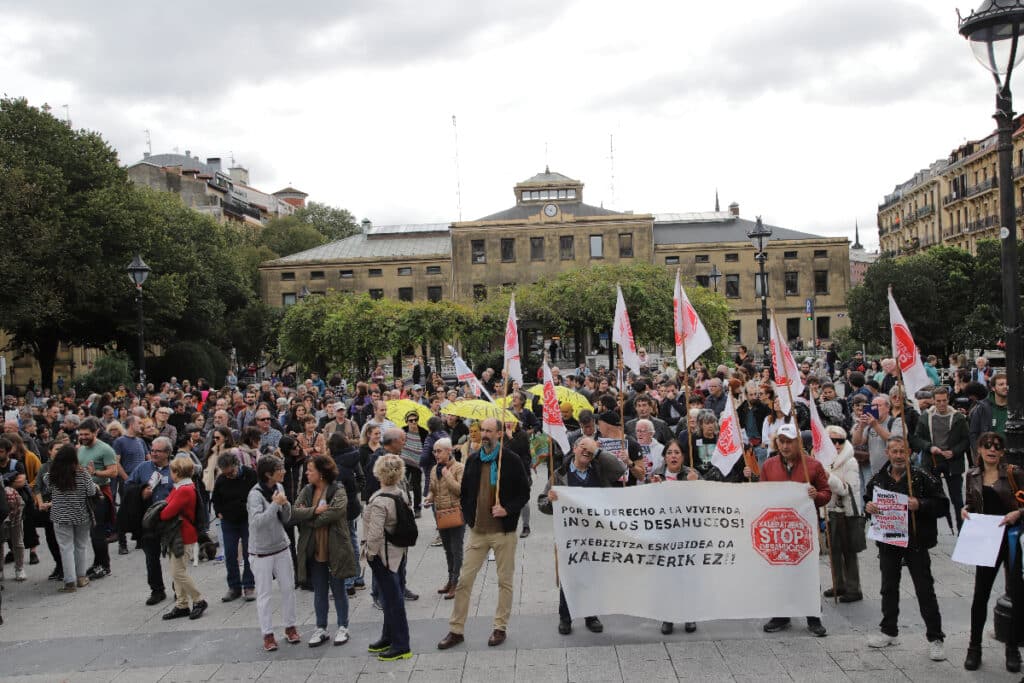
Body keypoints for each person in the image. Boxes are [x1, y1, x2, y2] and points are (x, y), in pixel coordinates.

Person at [438, 417, 531, 650]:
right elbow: (466, 492)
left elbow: (524, 492)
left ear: (500, 434)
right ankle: (456, 630)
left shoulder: (510, 460)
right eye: (483, 431)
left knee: (504, 582)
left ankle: (500, 627)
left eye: (490, 431)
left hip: (503, 532)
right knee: (464, 581)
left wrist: (507, 508)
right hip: (478, 531)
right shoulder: (473, 460)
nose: (485, 434)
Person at [864, 437, 948, 662]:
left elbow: (942, 505)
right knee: (888, 587)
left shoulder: (921, 477)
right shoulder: (879, 478)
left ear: (909, 452)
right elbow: (867, 498)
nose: (899, 455)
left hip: (916, 542)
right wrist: (869, 507)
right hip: (889, 542)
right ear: (888, 453)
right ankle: (888, 630)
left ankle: (936, 638)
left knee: (924, 589)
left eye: (902, 451)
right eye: (894, 451)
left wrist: (920, 504)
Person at [760, 423, 831, 637]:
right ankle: (781, 614)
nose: (785, 445)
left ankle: (813, 616)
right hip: (779, 528)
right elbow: (762, 492)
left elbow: (826, 493)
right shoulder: (769, 465)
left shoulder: (813, 466)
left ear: (799, 443)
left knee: (807, 571)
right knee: (780, 572)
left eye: (789, 441)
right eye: (781, 441)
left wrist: (815, 495)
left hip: (804, 528)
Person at [540, 436, 614, 636]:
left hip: (594, 535)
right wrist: (550, 500)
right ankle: (566, 617)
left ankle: (591, 615)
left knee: (592, 576)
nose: (586, 452)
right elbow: (542, 504)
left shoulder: (599, 473)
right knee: (568, 577)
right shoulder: (559, 474)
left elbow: (617, 478)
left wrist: (598, 451)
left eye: (590, 451)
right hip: (570, 536)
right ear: (574, 448)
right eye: (583, 447)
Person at [962, 432, 1022, 672]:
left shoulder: (1013, 473)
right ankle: (974, 647)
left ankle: (1012, 648)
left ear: (1002, 452)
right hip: (986, 538)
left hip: (1012, 537)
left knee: (1017, 594)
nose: (992, 450)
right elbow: (970, 502)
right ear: (979, 450)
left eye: (996, 447)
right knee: (980, 594)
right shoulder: (972, 475)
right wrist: (965, 509)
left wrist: (1017, 513)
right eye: (987, 446)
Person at [292, 455, 356, 647]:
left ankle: (343, 626)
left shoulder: (338, 490)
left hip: (335, 546)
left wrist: (309, 518)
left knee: (338, 589)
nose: (307, 474)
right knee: (319, 590)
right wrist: (314, 511)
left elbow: (336, 512)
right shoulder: (307, 490)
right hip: (314, 548)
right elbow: (295, 511)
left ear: (321, 473)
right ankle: (321, 627)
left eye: (310, 470)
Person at [362, 453, 414, 661]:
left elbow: (374, 535)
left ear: (379, 473)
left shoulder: (379, 500)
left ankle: (401, 644)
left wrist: (369, 555)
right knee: (393, 596)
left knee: (392, 600)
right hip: (399, 552)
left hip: (383, 556)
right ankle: (388, 636)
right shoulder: (401, 494)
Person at [248, 455, 300, 652]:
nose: (284, 471)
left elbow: (286, 518)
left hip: (281, 546)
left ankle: (290, 626)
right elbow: (257, 523)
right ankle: (268, 634)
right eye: (280, 469)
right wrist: (275, 505)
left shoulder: (279, 488)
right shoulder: (255, 494)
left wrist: (285, 505)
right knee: (265, 594)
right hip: (261, 551)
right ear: (269, 473)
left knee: (288, 588)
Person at [158, 456, 208, 621]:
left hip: (183, 534)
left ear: (176, 472)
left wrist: (164, 508)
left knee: (177, 572)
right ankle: (181, 604)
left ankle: (198, 599)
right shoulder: (184, 486)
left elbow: (166, 512)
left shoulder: (183, 489)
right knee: (177, 570)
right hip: (180, 533)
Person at [916, 386, 969, 531]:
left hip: (952, 462)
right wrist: (929, 447)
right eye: (938, 401)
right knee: (932, 497)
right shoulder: (925, 416)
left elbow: (966, 440)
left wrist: (954, 451)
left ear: (948, 400)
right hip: (932, 460)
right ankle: (930, 530)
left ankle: (961, 530)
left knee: (957, 499)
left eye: (944, 401)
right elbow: (917, 437)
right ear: (933, 400)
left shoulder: (958, 417)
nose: (941, 404)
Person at [44, 444, 96, 593]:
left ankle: (69, 582)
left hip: (60, 516)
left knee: (66, 548)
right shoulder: (83, 474)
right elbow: (91, 491)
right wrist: (90, 475)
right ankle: (81, 577)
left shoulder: (52, 475)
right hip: (81, 514)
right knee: (80, 546)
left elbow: (47, 486)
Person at [823, 426, 864, 603]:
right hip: (831, 510)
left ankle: (853, 588)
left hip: (847, 512)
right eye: (832, 441)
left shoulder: (850, 461)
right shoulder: (825, 459)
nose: (837, 444)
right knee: (834, 550)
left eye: (840, 440)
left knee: (849, 551)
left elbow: (847, 489)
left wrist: (828, 478)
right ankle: (838, 583)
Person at [211, 450, 257, 602]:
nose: (229, 476)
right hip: (229, 521)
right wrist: (219, 512)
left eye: (231, 472)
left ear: (237, 465)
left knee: (248, 553)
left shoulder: (250, 475)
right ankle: (234, 586)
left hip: (247, 519)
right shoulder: (221, 479)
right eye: (226, 474)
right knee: (230, 554)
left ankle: (249, 585)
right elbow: (215, 498)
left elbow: (257, 494)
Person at [76, 417, 117, 581]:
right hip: (84, 494)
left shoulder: (105, 449)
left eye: (87, 434)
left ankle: (104, 566)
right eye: (81, 434)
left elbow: (113, 472)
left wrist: (95, 473)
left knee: (97, 532)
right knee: (90, 533)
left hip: (100, 495)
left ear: (96, 432)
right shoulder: (81, 448)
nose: (83, 437)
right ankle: (97, 563)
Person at [426, 437, 464, 600]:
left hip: (456, 514)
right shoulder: (434, 469)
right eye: (434, 451)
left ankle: (456, 583)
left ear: (449, 451)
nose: (436, 454)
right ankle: (450, 580)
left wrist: (447, 475)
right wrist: (429, 498)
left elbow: (460, 490)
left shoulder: (459, 468)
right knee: (447, 549)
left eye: (439, 451)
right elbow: (432, 489)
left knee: (456, 550)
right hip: (441, 514)